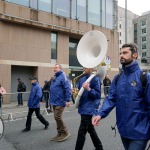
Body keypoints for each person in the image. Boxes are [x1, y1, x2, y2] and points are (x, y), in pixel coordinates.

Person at [92, 43, 150, 150]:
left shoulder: (145, 77)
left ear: (135, 55)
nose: (121, 55)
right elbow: (110, 98)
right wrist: (100, 114)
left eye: (125, 53)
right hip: (123, 131)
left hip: (140, 132)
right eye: (120, 53)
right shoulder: (118, 78)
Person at [75, 67, 103, 150]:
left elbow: (97, 95)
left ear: (91, 68)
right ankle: (99, 147)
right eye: (83, 66)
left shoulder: (95, 79)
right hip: (83, 106)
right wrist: (74, 91)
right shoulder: (81, 79)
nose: (83, 68)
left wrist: (89, 89)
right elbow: (79, 91)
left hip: (89, 107)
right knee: (90, 129)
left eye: (86, 67)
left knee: (81, 132)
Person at [50, 64, 71, 142]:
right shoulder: (55, 77)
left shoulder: (63, 76)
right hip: (54, 101)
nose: (54, 69)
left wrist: (68, 100)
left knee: (57, 117)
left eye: (56, 68)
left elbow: (68, 88)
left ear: (60, 68)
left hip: (60, 101)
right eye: (54, 68)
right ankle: (59, 133)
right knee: (56, 118)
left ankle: (65, 132)